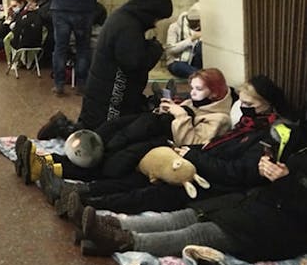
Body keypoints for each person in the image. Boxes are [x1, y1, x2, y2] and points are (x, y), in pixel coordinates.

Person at [61, 75, 287, 217]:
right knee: (137, 168)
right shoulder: (244, 126)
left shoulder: (261, 136)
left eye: (250, 104)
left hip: (210, 181)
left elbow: (234, 171)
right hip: (194, 160)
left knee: (154, 192)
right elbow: (210, 148)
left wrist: (191, 149)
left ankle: (89, 202)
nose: (244, 108)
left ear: (268, 106)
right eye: (242, 103)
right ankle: (82, 190)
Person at [79, 136, 307, 260]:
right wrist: (270, 167)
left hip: (287, 225)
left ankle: (122, 240)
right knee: (189, 215)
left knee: (202, 232)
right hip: (263, 199)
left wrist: (285, 180)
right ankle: (114, 224)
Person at [23, 68, 234, 196]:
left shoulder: (219, 118)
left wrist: (180, 116)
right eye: (193, 88)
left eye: (198, 89)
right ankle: (47, 162)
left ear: (214, 93)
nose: (193, 93)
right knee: (114, 132)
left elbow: (194, 142)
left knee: (111, 156)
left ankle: (46, 164)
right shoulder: (197, 103)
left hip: (170, 147)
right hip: (157, 134)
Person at [77, 0, 173, 129]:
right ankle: (63, 129)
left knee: (94, 127)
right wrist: (155, 49)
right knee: (106, 132)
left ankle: (67, 130)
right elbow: (133, 63)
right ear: (150, 11)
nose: (155, 23)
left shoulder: (123, 19)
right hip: (112, 94)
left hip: (104, 91)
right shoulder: (128, 25)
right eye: (157, 18)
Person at [166, 2, 203, 77]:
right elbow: (170, 50)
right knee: (178, 67)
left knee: (200, 46)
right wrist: (191, 39)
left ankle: (200, 75)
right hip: (178, 61)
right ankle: (203, 76)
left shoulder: (204, 28)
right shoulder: (174, 27)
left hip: (195, 61)